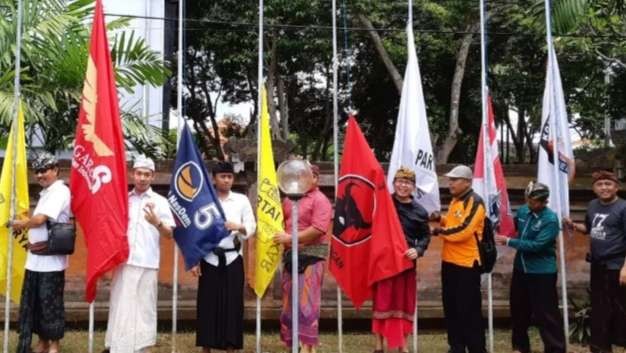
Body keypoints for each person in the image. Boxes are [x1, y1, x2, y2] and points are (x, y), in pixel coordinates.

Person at [104, 156, 175, 353]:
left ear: (153, 176)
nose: (142, 178)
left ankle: (141, 348)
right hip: (124, 261)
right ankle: (118, 347)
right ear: (132, 174)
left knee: (144, 308)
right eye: (139, 173)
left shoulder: (159, 202)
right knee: (121, 305)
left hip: (148, 261)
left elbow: (169, 234)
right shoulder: (123, 200)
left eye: (147, 174)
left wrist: (157, 222)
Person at [190, 161, 256, 353]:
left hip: (233, 258)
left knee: (233, 302)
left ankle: (231, 345)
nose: (226, 180)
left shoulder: (241, 200)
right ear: (214, 178)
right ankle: (207, 345)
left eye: (229, 177)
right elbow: (195, 231)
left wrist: (240, 226)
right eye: (222, 176)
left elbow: (251, 226)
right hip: (209, 257)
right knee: (207, 302)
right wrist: (194, 259)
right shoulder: (204, 200)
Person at [495, 181, 566, 353]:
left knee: (546, 315)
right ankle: (520, 347)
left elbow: (537, 246)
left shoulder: (550, 219)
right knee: (518, 311)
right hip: (521, 269)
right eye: (529, 200)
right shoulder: (523, 211)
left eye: (535, 202)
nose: (531, 204)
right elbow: (512, 228)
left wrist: (509, 241)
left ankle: (555, 348)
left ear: (544, 201)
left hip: (542, 273)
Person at [12, 152, 70, 353]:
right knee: (35, 303)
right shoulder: (47, 192)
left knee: (50, 304)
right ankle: (43, 342)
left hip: (51, 261)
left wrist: (21, 223)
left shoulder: (60, 191)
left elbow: (40, 220)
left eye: (44, 170)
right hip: (35, 260)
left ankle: (53, 345)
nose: (40, 175)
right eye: (37, 171)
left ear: (55, 170)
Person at [564, 170, 626, 353]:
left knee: (620, 308)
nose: (604, 188)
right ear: (594, 188)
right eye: (600, 184)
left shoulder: (623, 208)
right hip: (598, 266)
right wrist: (574, 225)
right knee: (600, 307)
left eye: (608, 184)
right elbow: (590, 229)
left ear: (617, 187)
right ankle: (601, 346)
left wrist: (625, 268)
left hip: (618, 266)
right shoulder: (592, 205)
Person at [273, 163, 332, 353]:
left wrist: (290, 238)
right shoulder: (289, 200)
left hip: (311, 257)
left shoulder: (321, 200)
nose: (307, 179)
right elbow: (280, 222)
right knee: (289, 303)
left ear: (316, 179)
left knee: (307, 303)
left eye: (311, 176)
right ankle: (294, 344)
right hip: (290, 256)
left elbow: (318, 229)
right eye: (303, 175)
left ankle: (308, 347)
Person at [372, 167, 430, 353]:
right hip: (384, 263)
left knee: (403, 306)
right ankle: (379, 345)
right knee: (382, 304)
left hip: (406, 265)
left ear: (413, 187)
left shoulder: (420, 211)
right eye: (400, 182)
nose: (403, 186)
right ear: (394, 183)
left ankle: (402, 345)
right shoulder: (384, 203)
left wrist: (418, 249)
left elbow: (425, 236)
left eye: (407, 183)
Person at [432, 164, 486, 353]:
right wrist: (442, 219)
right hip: (449, 262)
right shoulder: (456, 200)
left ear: (467, 182)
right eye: (450, 179)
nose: (450, 183)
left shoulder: (475, 201)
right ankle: (456, 347)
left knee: (469, 311)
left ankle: (476, 348)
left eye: (454, 180)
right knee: (452, 308)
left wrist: (440, 230)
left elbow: (464, 230)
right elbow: (455, 222)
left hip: (466, 265)